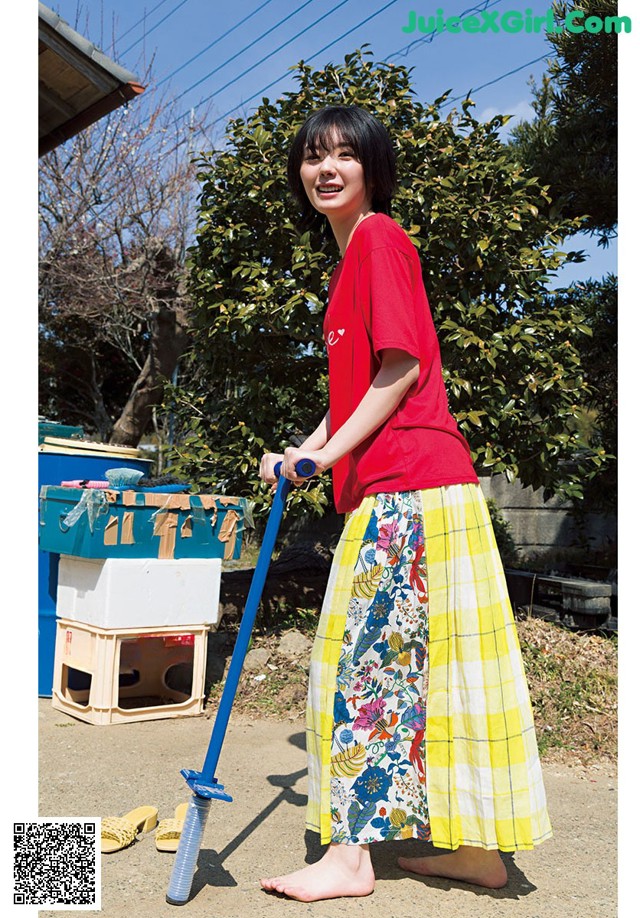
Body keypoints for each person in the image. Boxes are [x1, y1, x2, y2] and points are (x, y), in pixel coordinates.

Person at [258, 105, 551, 903]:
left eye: (345, 157)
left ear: (371, 170)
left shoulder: (379, 240)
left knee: (358, 670)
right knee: (428, 676)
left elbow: (402, 370)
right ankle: (474, 852)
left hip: (409, 491)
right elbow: (359, 389)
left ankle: (350, 862)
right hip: (409, 488)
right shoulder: (351, 260)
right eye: (313, 157)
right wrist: (308, 448)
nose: (326, 169)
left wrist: (327, 451)